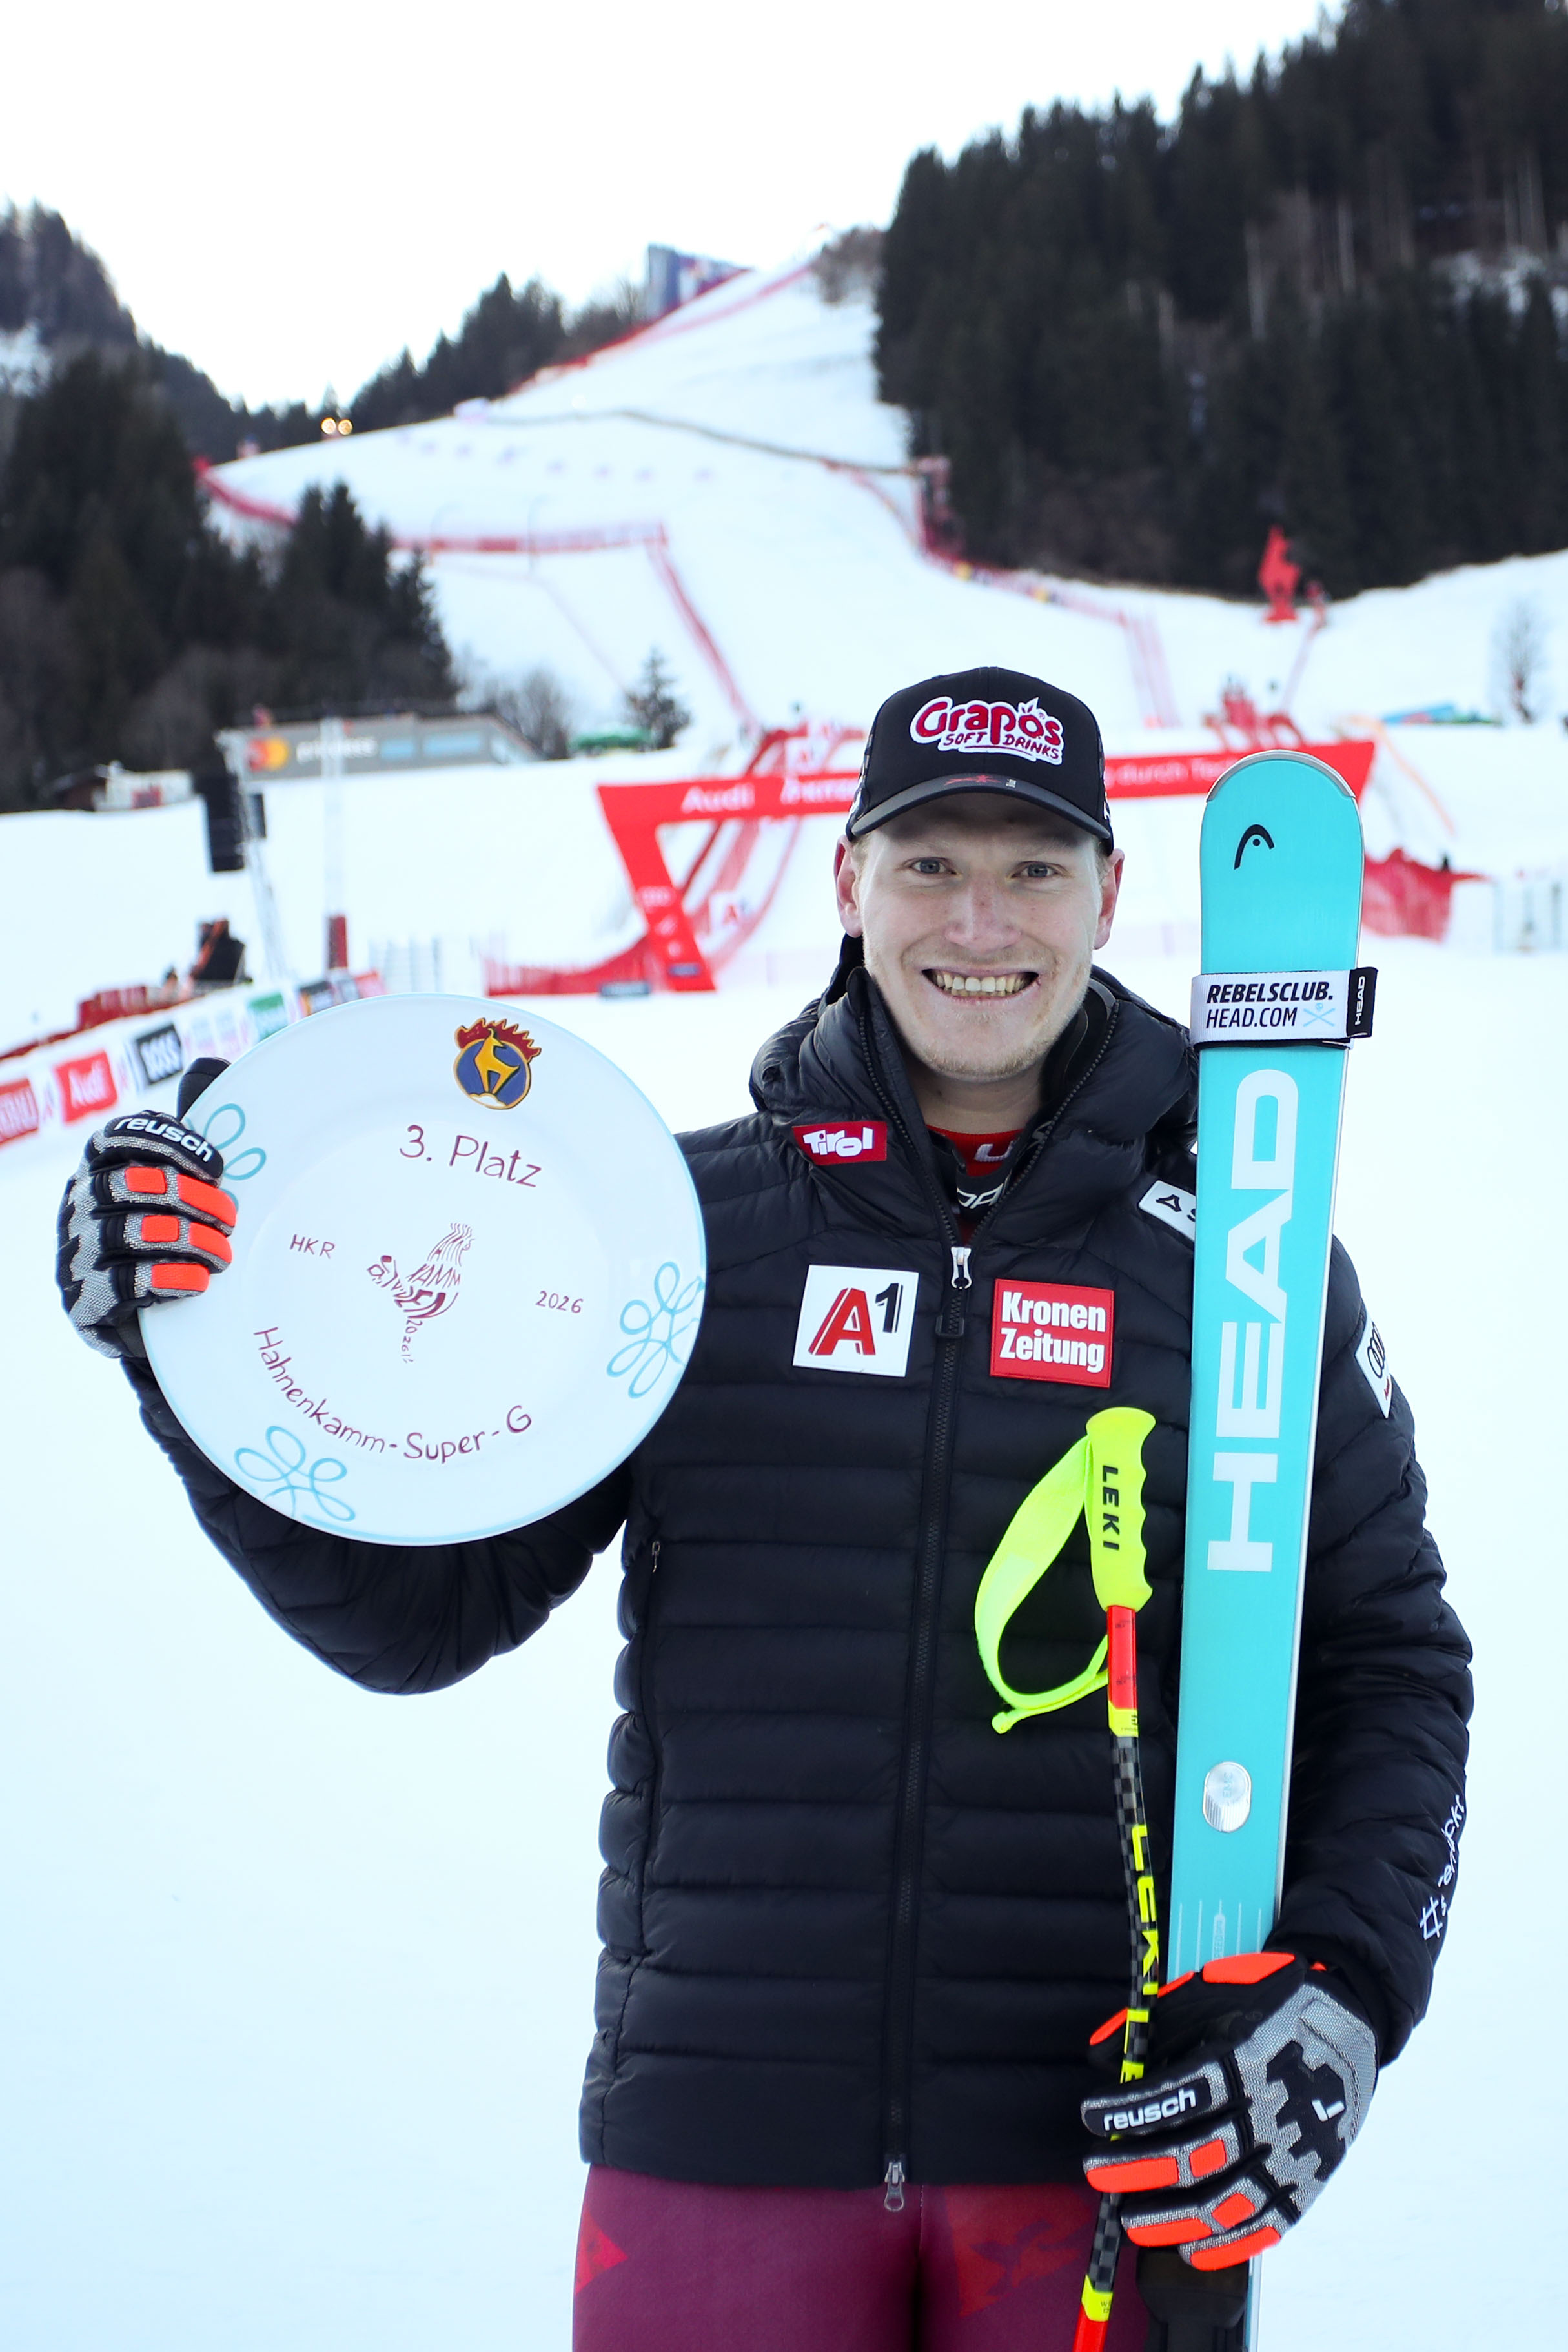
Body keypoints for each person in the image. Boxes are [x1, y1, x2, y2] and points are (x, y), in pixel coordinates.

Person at [56, 668, 1471, 2352]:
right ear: (849, 882)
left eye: (1033, 867)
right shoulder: (672, 1232)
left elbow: (1390, 1660)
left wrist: (1348, 1985)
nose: (980, 921)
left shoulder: (1242, 1257)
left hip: (1102, 2154)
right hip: (719, 2146)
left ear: (1109, 894)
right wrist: (195, 1358)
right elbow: (420, 1616)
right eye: (931, 862)